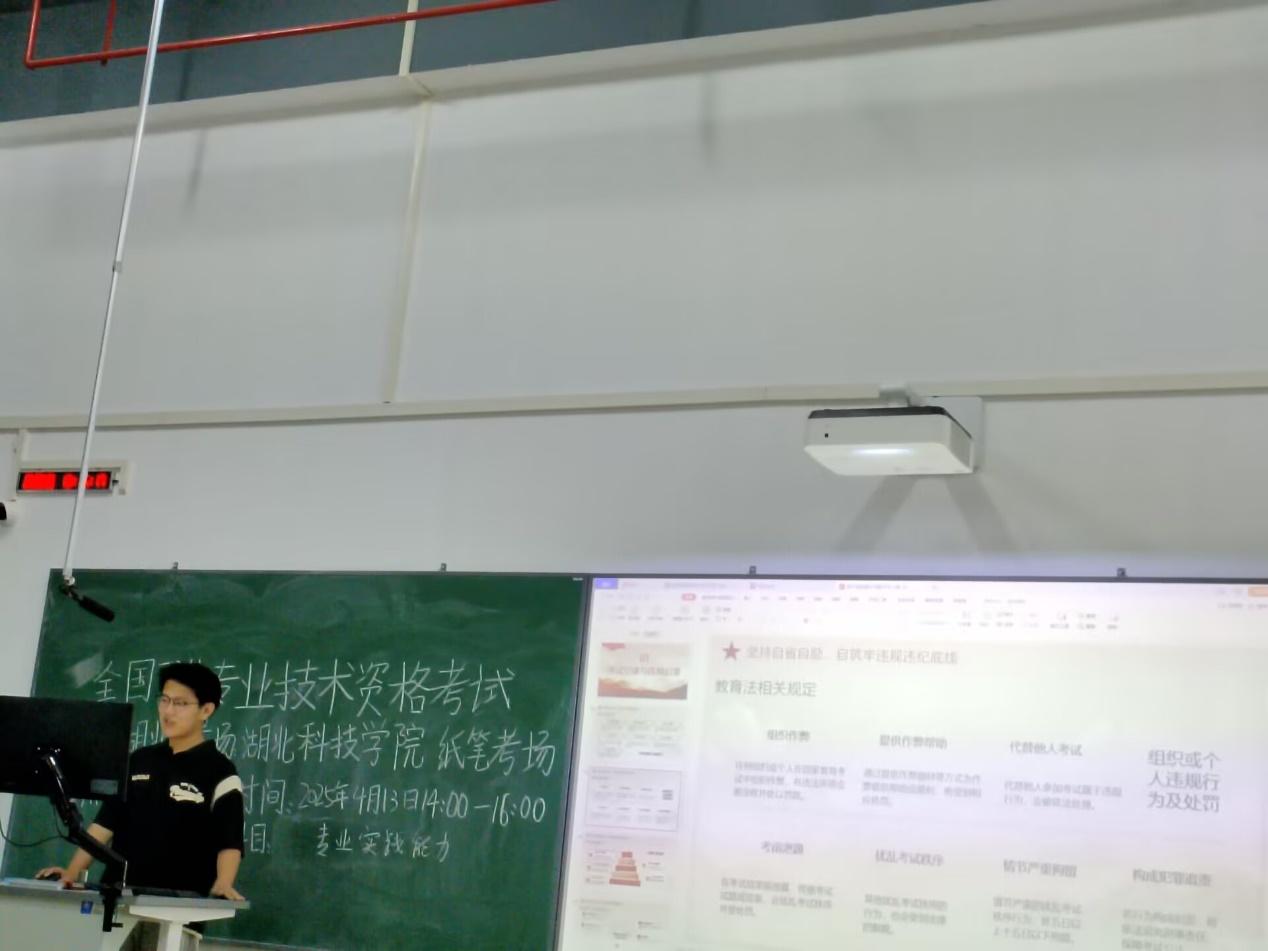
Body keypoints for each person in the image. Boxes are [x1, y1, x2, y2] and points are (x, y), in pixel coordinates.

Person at [39, 662, 246, 950]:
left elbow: (230, 840)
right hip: (118, 902)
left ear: (206, 710)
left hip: (177, 911)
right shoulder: (139, 761)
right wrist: (72, 872)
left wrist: (224, 882)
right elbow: (104, 825)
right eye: (164, 700)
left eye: (180, 703)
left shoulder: (220, 771)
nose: (168, 711)